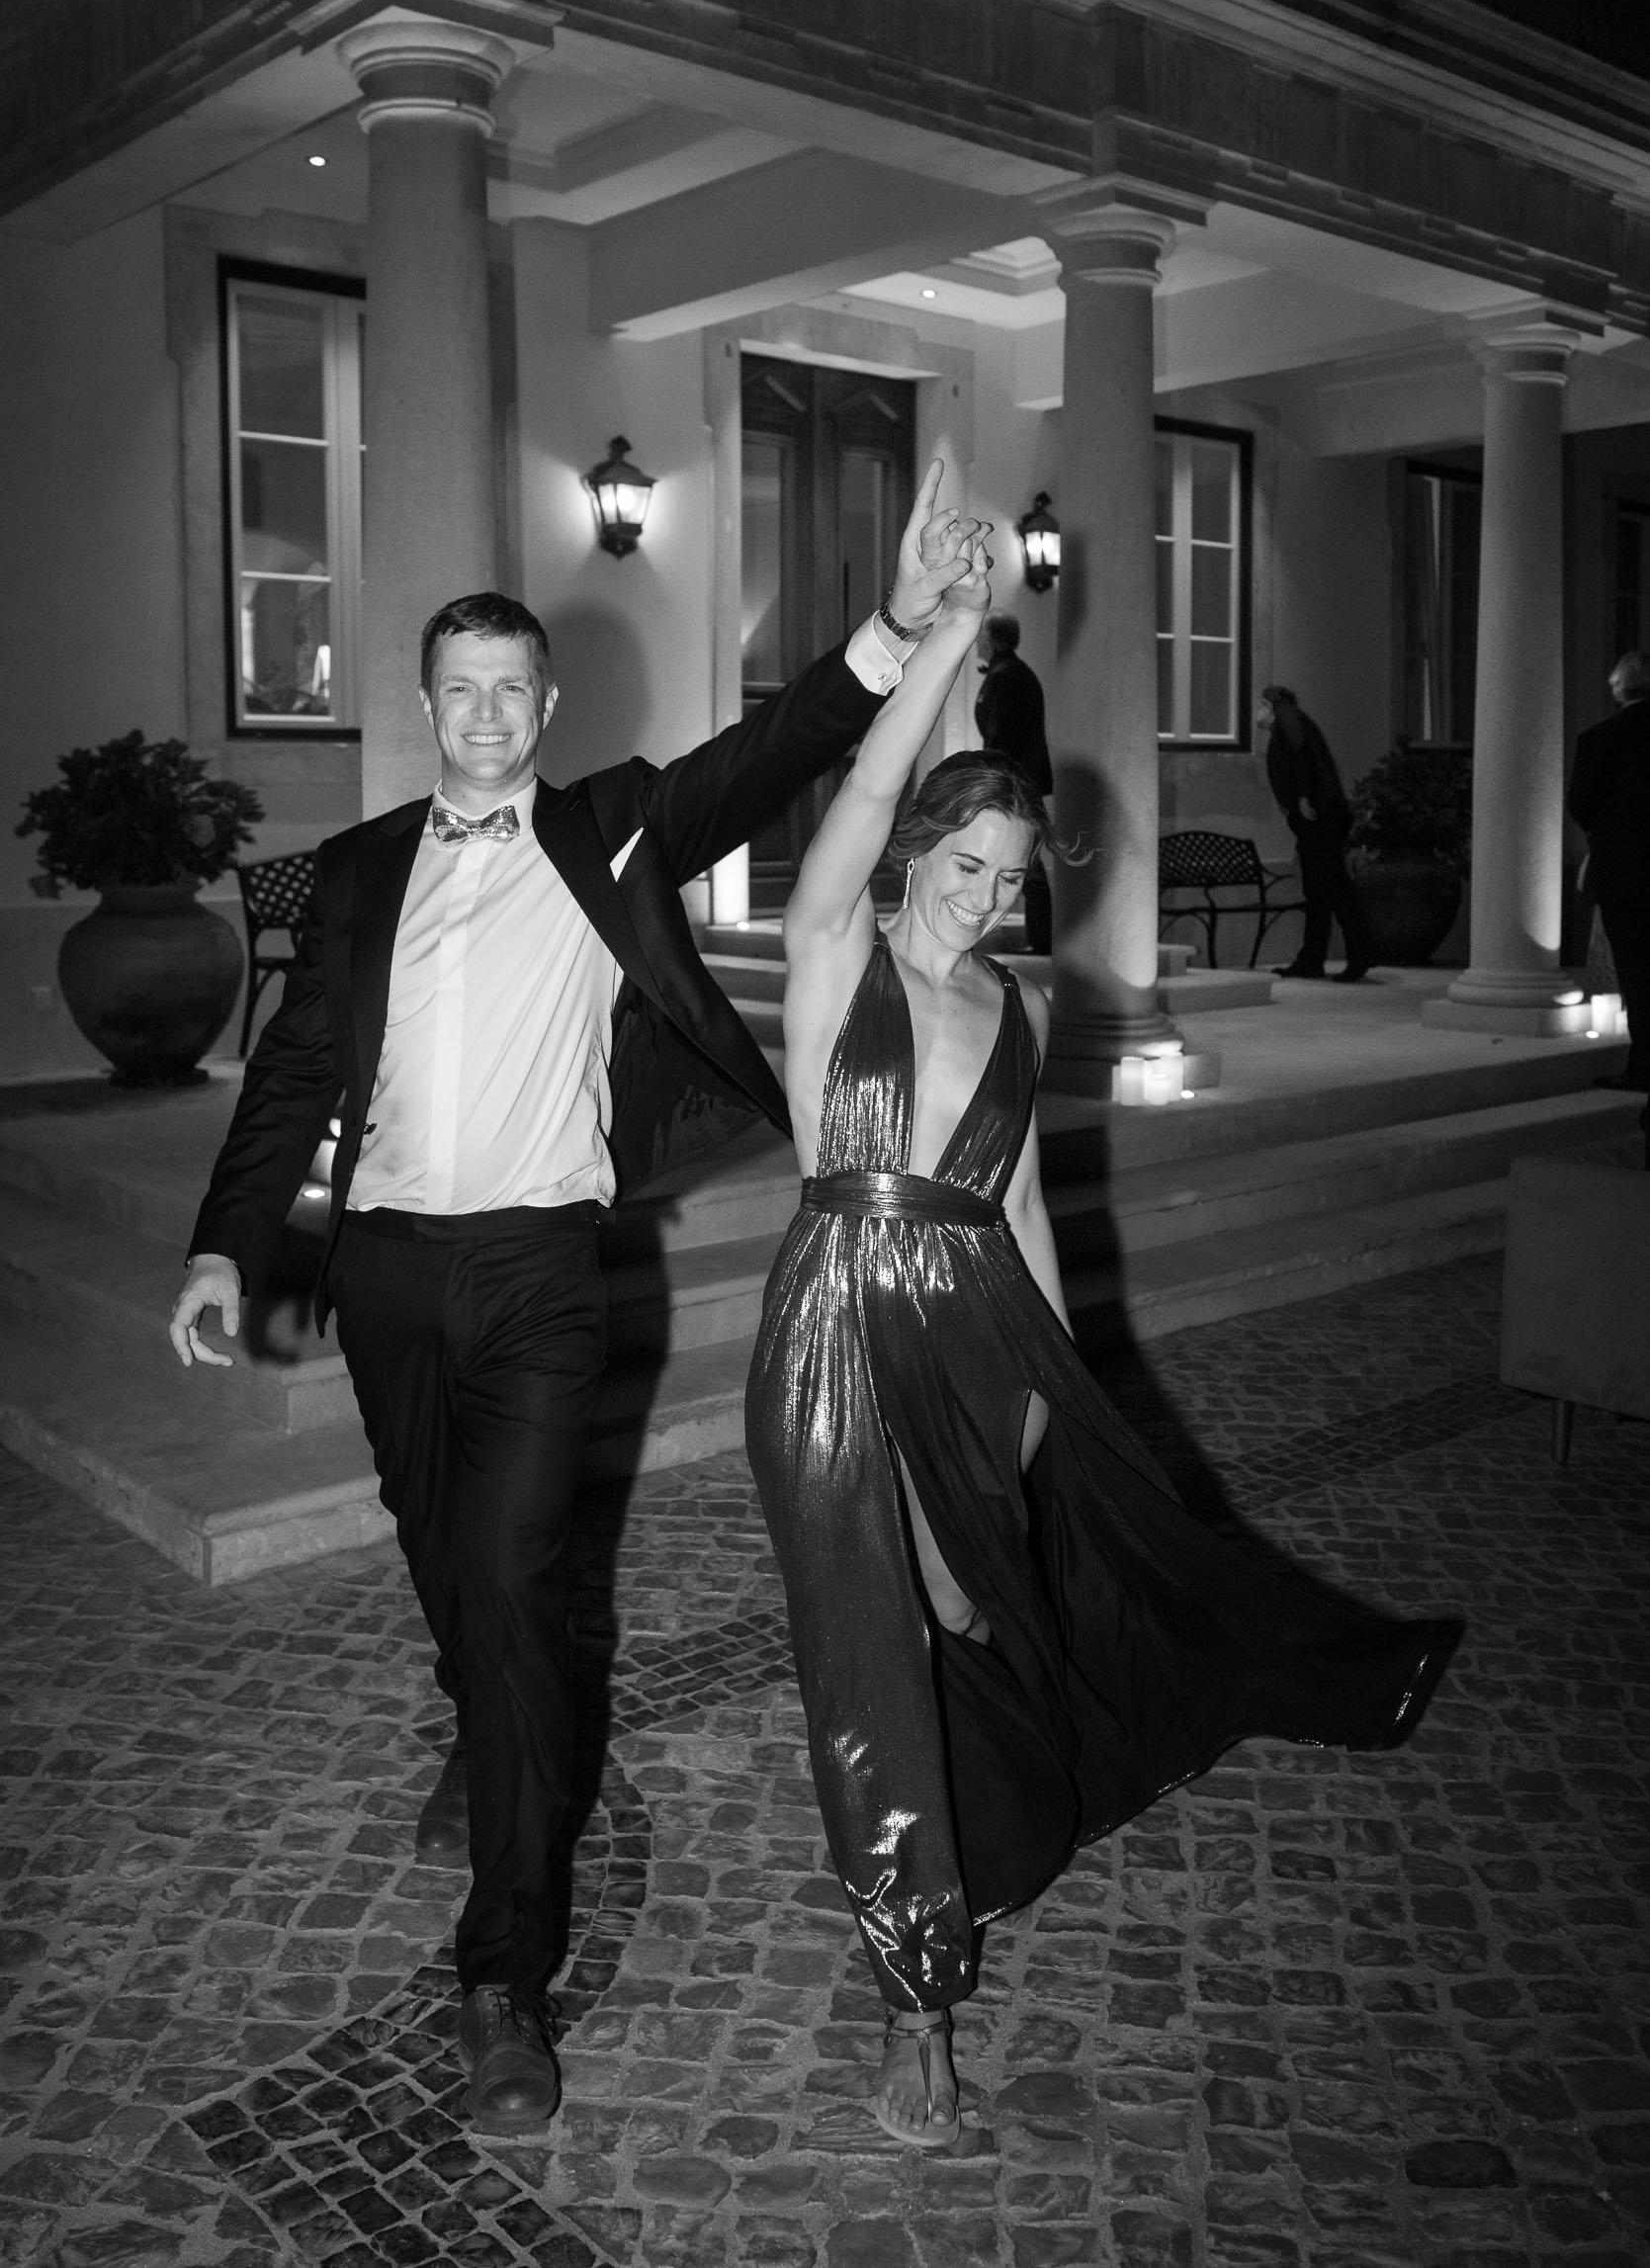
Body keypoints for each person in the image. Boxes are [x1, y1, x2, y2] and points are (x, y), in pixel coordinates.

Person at [165, 463, 986, 2138]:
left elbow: (761, 761)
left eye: (508, 692)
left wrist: (896, 623)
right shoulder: (358, 873)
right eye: (455, 690)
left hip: (545, 1272)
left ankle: (502, 1978)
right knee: (445, 1564)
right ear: (424, 703)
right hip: (389, 1274)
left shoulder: (602, 823)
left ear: (543, 706)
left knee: (509, 1573)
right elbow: (291, 1079)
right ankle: (491, 1721)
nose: (481, 716)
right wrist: (221, 1246)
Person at [747, 593, 1460, 2152]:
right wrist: (943, 635)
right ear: (911, 851)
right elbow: (864, 781)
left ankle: (981, 1828)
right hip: (837, 1337)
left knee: (984, 1615)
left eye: (1010, 878)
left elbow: (1016, 1203)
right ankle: (916, 2004)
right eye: (963, 865)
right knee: (872, 1664)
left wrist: (1058, 1389)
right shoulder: (829, 954)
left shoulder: (1016, 1000)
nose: (984, 899)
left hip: (980, 1327)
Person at [1567, 649, 1650, 1094]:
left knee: (1637, 974)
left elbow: (1580, 803)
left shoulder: (1600, 739)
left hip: (1625, 874)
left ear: (1618, 688)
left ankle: (1642, 1068)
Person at [1257, 683, 1373, 982]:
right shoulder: (1290, 721)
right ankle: (1312, 959)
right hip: (1319, 817)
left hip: (1319, 817)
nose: (1256, 713)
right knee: (1319, 890)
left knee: (1332, 887)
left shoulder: (1287, 715)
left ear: (1271, 705)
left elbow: (1298, 752)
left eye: (1260, 705)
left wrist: (1304, 795)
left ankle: (1359, 955)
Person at [974, 614, 1053, 952]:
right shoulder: (1012, 673)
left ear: (993, 639)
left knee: (1027, 858)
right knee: (1025, 857)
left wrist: (987, 784)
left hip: (1014, 782)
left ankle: (1042, 937)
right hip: (1019, 778)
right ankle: (1040, 935)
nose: (978, 642)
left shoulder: (1006, 677)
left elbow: (1000, 736)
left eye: (982, 636)